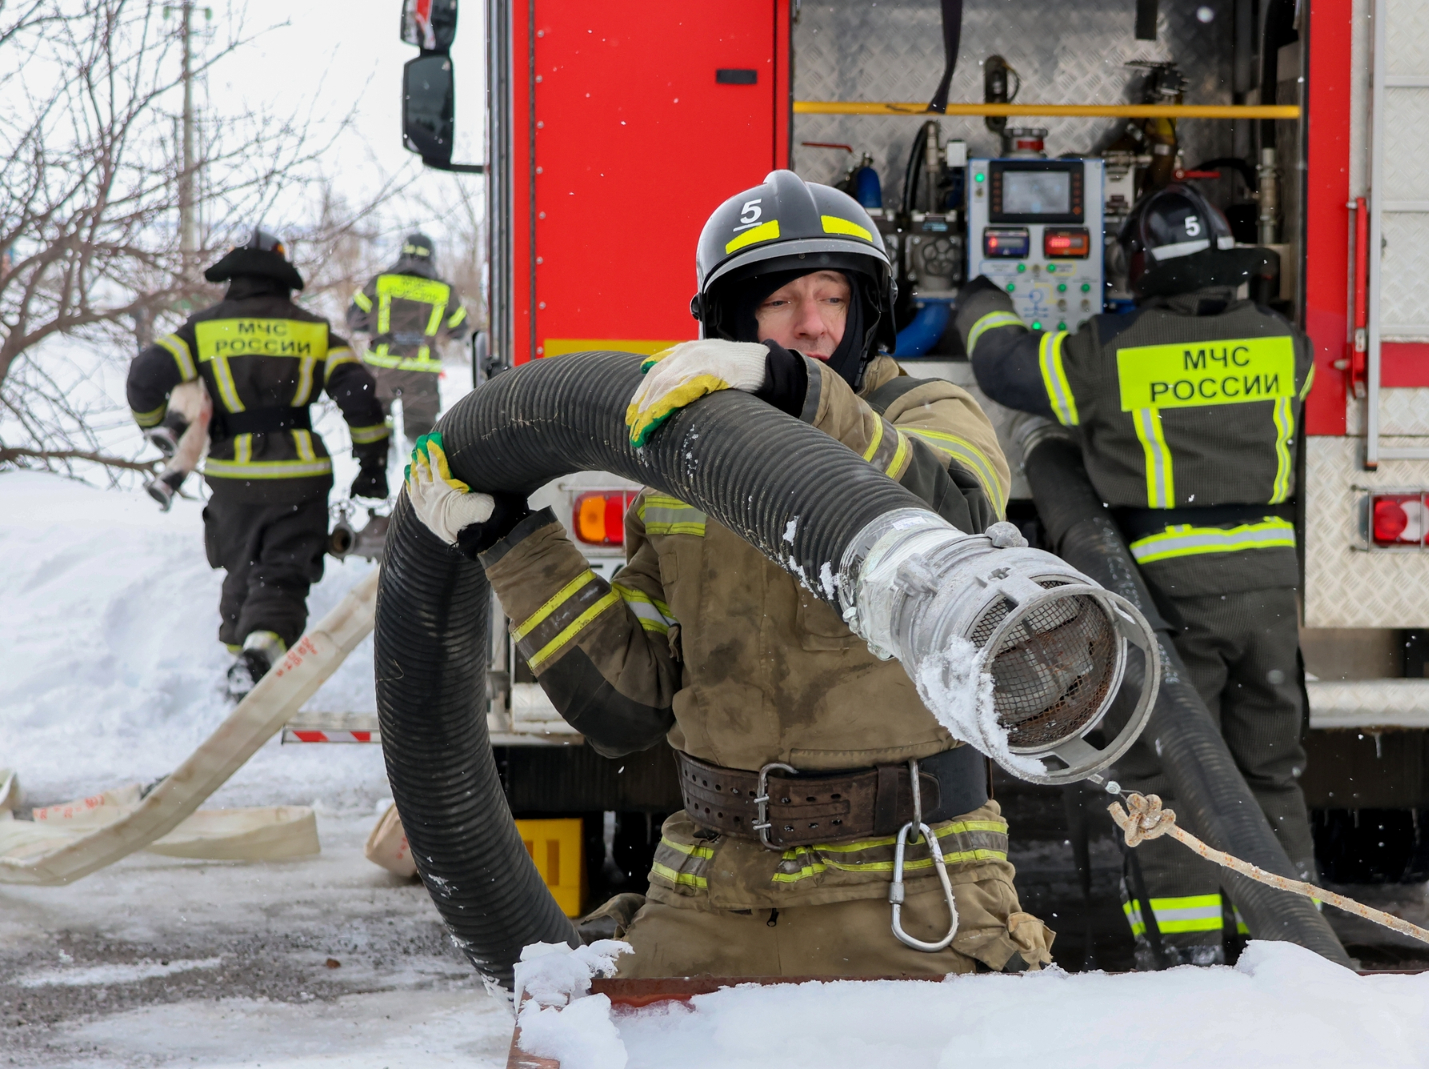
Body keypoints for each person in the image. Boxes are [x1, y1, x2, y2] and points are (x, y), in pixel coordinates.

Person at [404, 170, 1051, 977]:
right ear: (730, 320)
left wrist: (796, 391)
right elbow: (626, 706)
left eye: (831, 298)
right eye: (780, 303)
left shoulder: (926, 418)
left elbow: (950, 525)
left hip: (915, 885)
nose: (811, 326)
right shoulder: (687, 467)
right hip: (714, 887)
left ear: (866, 313)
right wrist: (514, 543)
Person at [952, 184, 1312, 967]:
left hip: (1169, 590)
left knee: (1173, 771)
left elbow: (1008, 367)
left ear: (1140, 269)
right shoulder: (1287, 344)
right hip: (1269, 592)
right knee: (1270, 771)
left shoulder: (1108, 352)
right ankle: (1294, 945)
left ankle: (1188, 956)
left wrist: (977, 294)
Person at [126, 230, 390, 696]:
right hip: (299, 479)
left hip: (232, 481)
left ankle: (243, 663)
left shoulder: (202, 331)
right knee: (282, 574)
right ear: (282, 279)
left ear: (234, 278)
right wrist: (371, 466)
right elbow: (360, 397)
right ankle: (255, 660)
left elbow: (144, 378)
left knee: (243, 571)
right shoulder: (312, 331)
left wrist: (160, 431)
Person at [345, 233, 470, 444]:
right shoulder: (443, 290)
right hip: (421, 373)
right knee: (420, 437)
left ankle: (381, 465)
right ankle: (418, 473)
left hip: (381, 370)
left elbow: (354, 319)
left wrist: (379, 330)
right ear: (431, 256)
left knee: (377, 430)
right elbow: (460, 330)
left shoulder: (380, 282)